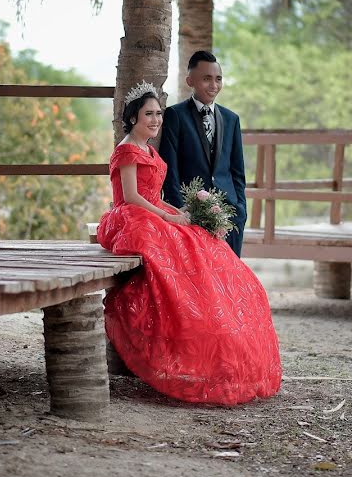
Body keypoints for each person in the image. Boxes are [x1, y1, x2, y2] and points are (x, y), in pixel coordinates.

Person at [97, 81, 281, 406]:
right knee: (178, 252)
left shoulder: (148, 148)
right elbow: (131, 197)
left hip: (153, 212)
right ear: (133, 118)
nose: (155, 120)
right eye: (148, 114)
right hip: (131, 218)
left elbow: (154, 195)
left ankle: (223, 331)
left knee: (205, 246)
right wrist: (166, 217)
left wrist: (177, 211)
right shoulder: (127, 149)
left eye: (158, 114)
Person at [159, 51, 247, 256]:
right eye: (206, 79)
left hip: (230, 213)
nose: (213, 85)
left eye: (218, 79)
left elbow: (237, 171)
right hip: (191, 213)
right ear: (190, 80)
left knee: (230, 277)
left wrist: (241, 209)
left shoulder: (231, 119)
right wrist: (180, 210)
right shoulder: (176, 115)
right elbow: (170, 169)